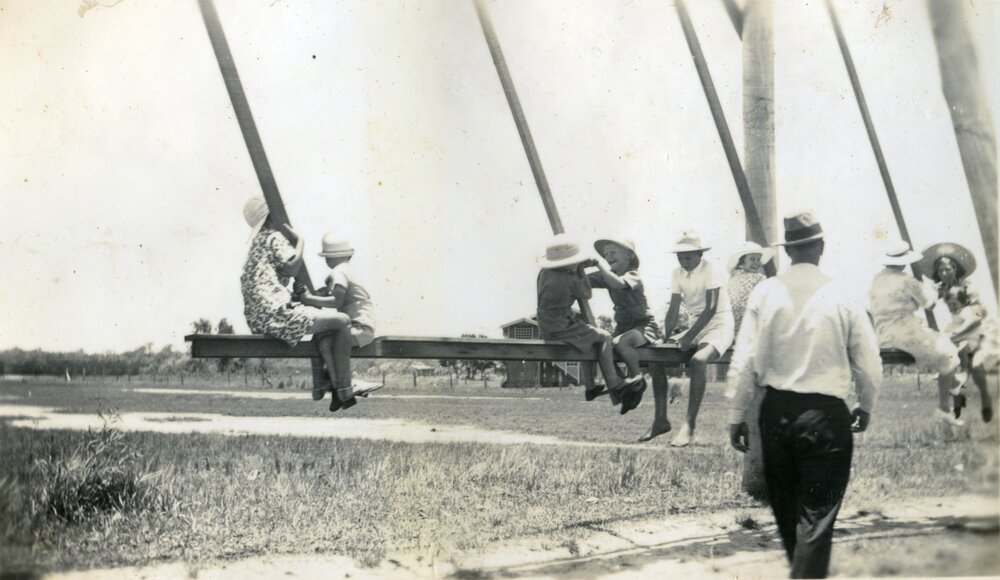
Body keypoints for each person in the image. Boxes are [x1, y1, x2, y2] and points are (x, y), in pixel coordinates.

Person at [727, 210, 882, 579]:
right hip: (826, 416)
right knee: (815, 518)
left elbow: (743, 360)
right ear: (821, 246)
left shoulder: (766, 291)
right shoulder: (842, 293)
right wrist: (866, 405)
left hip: (775, 413)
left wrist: (736, 416)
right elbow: (869, 363)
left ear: (789, 251)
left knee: (787, 512)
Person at [239, 196, 378, 412]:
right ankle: (344, 388)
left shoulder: (256, 245)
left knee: (322, 334)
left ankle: (324, 385)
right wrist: (300, 241)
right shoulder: (274, 236)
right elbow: (293, 268)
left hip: (260, 317)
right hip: (276, 314)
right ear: (270, 217)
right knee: (342, 321)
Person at [650, 231, 734, 446]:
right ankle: (660, 419)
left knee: (698, 361)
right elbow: (674, 309)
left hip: (719, 323)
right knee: (655, 357)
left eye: (688, 256)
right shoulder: (676, 273)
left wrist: (689, 336)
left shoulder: (710, 269)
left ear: (699, 254)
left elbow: (712, 308)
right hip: (695, 325)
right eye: (680, 257)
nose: (683, 261)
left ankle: (689, 425)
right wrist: (665, 337)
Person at [868, 240, 963, 425]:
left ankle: (954, 383)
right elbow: (929, 303)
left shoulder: (876, 279)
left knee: (942, 350)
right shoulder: (907, 281)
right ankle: (944, 407)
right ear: (905, 261)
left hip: (883, 336)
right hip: (905, 335)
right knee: (949, 353)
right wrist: (933, 290)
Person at [536, 234, 629, 401]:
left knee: (585, 344)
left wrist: (577, 269)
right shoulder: (570, 278)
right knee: (604, 337)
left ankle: (590, 387)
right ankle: (614, 382)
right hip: (560, 326)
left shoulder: (544, 273)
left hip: (547, 323)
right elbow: (586, 293)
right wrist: (580, 271)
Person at [295, 234, 380, 406]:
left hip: (359, 326)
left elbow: (336, 301)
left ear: (329, 258)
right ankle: (336, 389)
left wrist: (307, 299)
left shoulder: (338, 272)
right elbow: (325, 293)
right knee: (321, 339)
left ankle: (337, 387)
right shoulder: (346, 271)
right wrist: (306, 295)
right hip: (360, 325)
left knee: (324, 341)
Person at [587, 237, 659, 414]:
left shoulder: (633, 275)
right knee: (605, 349)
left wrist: (599, 267)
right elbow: (585, 280)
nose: (609, 257)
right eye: (606, 255)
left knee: (622, 343)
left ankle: (637, 379)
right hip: (623, 327)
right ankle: (624, 388)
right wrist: (577, 269)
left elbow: (618, 284)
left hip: (644, 325)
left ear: (629, 255)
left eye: (613, 253)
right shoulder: (608, 275)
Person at [944, 285, 996, 422]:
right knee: (953, 372)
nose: (952, 307)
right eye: (949, 305)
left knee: (978, 376)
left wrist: (957, 333)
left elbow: (976, 319)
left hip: (976, 346)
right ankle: (958, 400)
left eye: (954, 304)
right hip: (963, 351)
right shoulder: (952, 319)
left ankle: (986, 402)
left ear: (963, 301)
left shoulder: (968, 311)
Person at [726, 241, 775, 334]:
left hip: (734, 326)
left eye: (758, 259)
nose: (757, 263)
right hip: (750, 325)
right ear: (742, 262)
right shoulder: (758, 278)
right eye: (752, 259)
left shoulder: (733, 277)